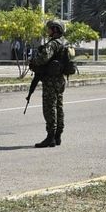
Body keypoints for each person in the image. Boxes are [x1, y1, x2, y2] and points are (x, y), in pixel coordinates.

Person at [28, 19, 69, 148]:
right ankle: (58, 136)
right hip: (60, 80)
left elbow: (43, 58)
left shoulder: (53, 44)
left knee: (49, 107)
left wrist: (33, 61)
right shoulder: (64, 43)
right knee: (58, 107)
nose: (48, 30)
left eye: (50, 28)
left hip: (51, 80)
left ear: (55, 29)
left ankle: (50, 137)